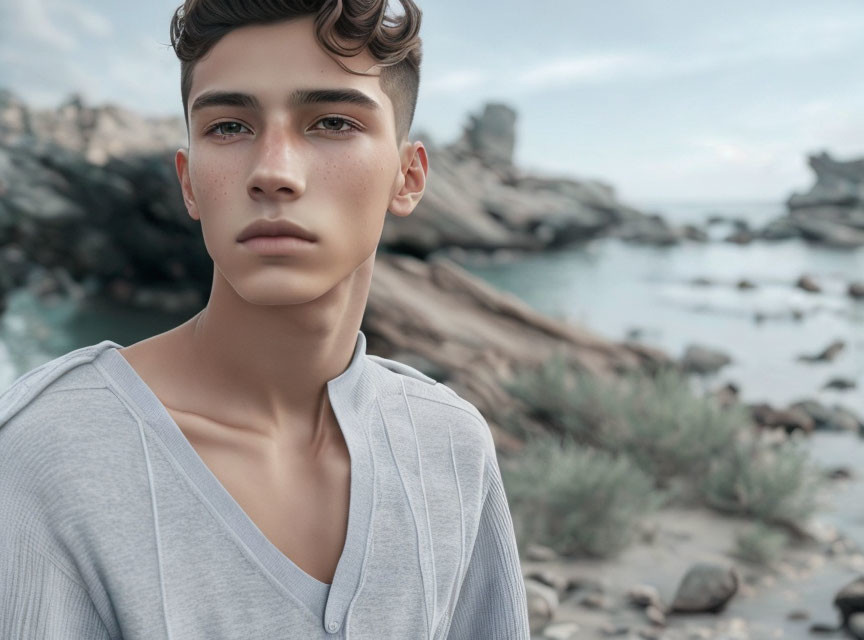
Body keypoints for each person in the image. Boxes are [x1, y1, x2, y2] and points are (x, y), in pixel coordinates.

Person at [0, 0, 531, 637]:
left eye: (332, 121)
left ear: (408, 176)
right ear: (189, 182)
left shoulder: (450, 444)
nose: (273, 172)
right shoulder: (47, 451)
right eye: (229, 127)